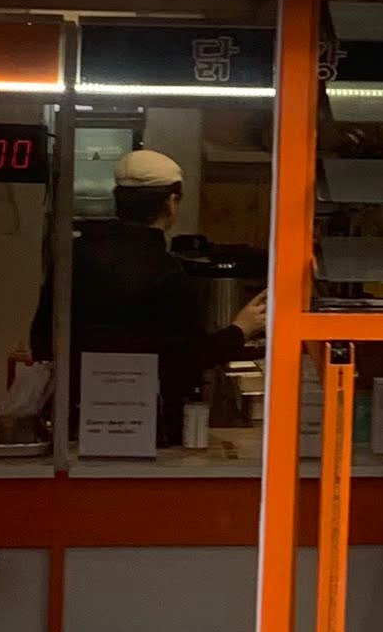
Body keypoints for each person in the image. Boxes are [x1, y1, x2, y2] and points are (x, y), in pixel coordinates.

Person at [30, 147, 266, 439]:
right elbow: (186, 360)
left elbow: (42, 338)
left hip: (74, 423)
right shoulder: (166, 270)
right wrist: (241, 329)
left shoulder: (73, 257)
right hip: (146, 428)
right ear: (171, 203)